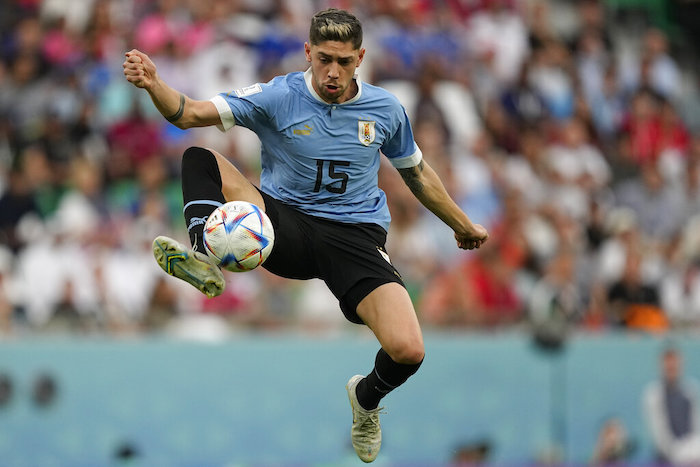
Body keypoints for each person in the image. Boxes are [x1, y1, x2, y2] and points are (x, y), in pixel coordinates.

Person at [123, 8, 488, 463]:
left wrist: (461, 224)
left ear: (361, 58)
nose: (333, 71)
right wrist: (154, 84)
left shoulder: (386, 109)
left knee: (409, 350)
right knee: (199, 158)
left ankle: (367, 400)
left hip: (355, 237)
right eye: (323, 59)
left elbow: (418, 175)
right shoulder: (278, 96)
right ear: (308, 53)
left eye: (344, 61)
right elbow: (188, 113)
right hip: (284, 223)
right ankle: (202, 254)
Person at [642, 346, 700, 465]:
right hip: (667, 459)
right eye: (668, 365)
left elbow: (697, 425)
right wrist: (678, 454)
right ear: (661, 366)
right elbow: (660, 435)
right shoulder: (653, 394)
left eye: (674, 364)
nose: (671, 367)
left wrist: (693, 451)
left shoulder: (691, 391)